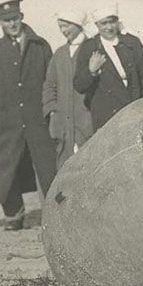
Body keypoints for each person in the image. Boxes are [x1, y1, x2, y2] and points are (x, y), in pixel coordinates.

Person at [0, 0, 57, 231]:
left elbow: (51, 82)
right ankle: (13, 216)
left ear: (22, 17)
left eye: (15, 18)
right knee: (4, 168)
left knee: (47, 168)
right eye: (6, 20)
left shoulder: (41, 46)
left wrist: (50, 109)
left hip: (37, 120)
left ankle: (54, 216)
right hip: (6, 121)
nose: (12, 24)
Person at [74, 3, 143, 132]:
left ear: (117, 22)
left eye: (112, 22)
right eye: (103, 23)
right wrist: (91, 71)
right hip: (106, 116)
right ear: (97, 25)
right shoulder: (89, 47)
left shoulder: (132, 43)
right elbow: (79, 85)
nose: (109, 27)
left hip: (133, 110)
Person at [42, 9, 94, 169]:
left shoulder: (92, 48)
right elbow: (49, 85)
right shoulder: (59, 54)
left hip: (86, 121)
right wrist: (51, 110)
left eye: (66, 26)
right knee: (65, 168)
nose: (63, 31)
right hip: (62, 125)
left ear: (77, 24)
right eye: (60, 27)